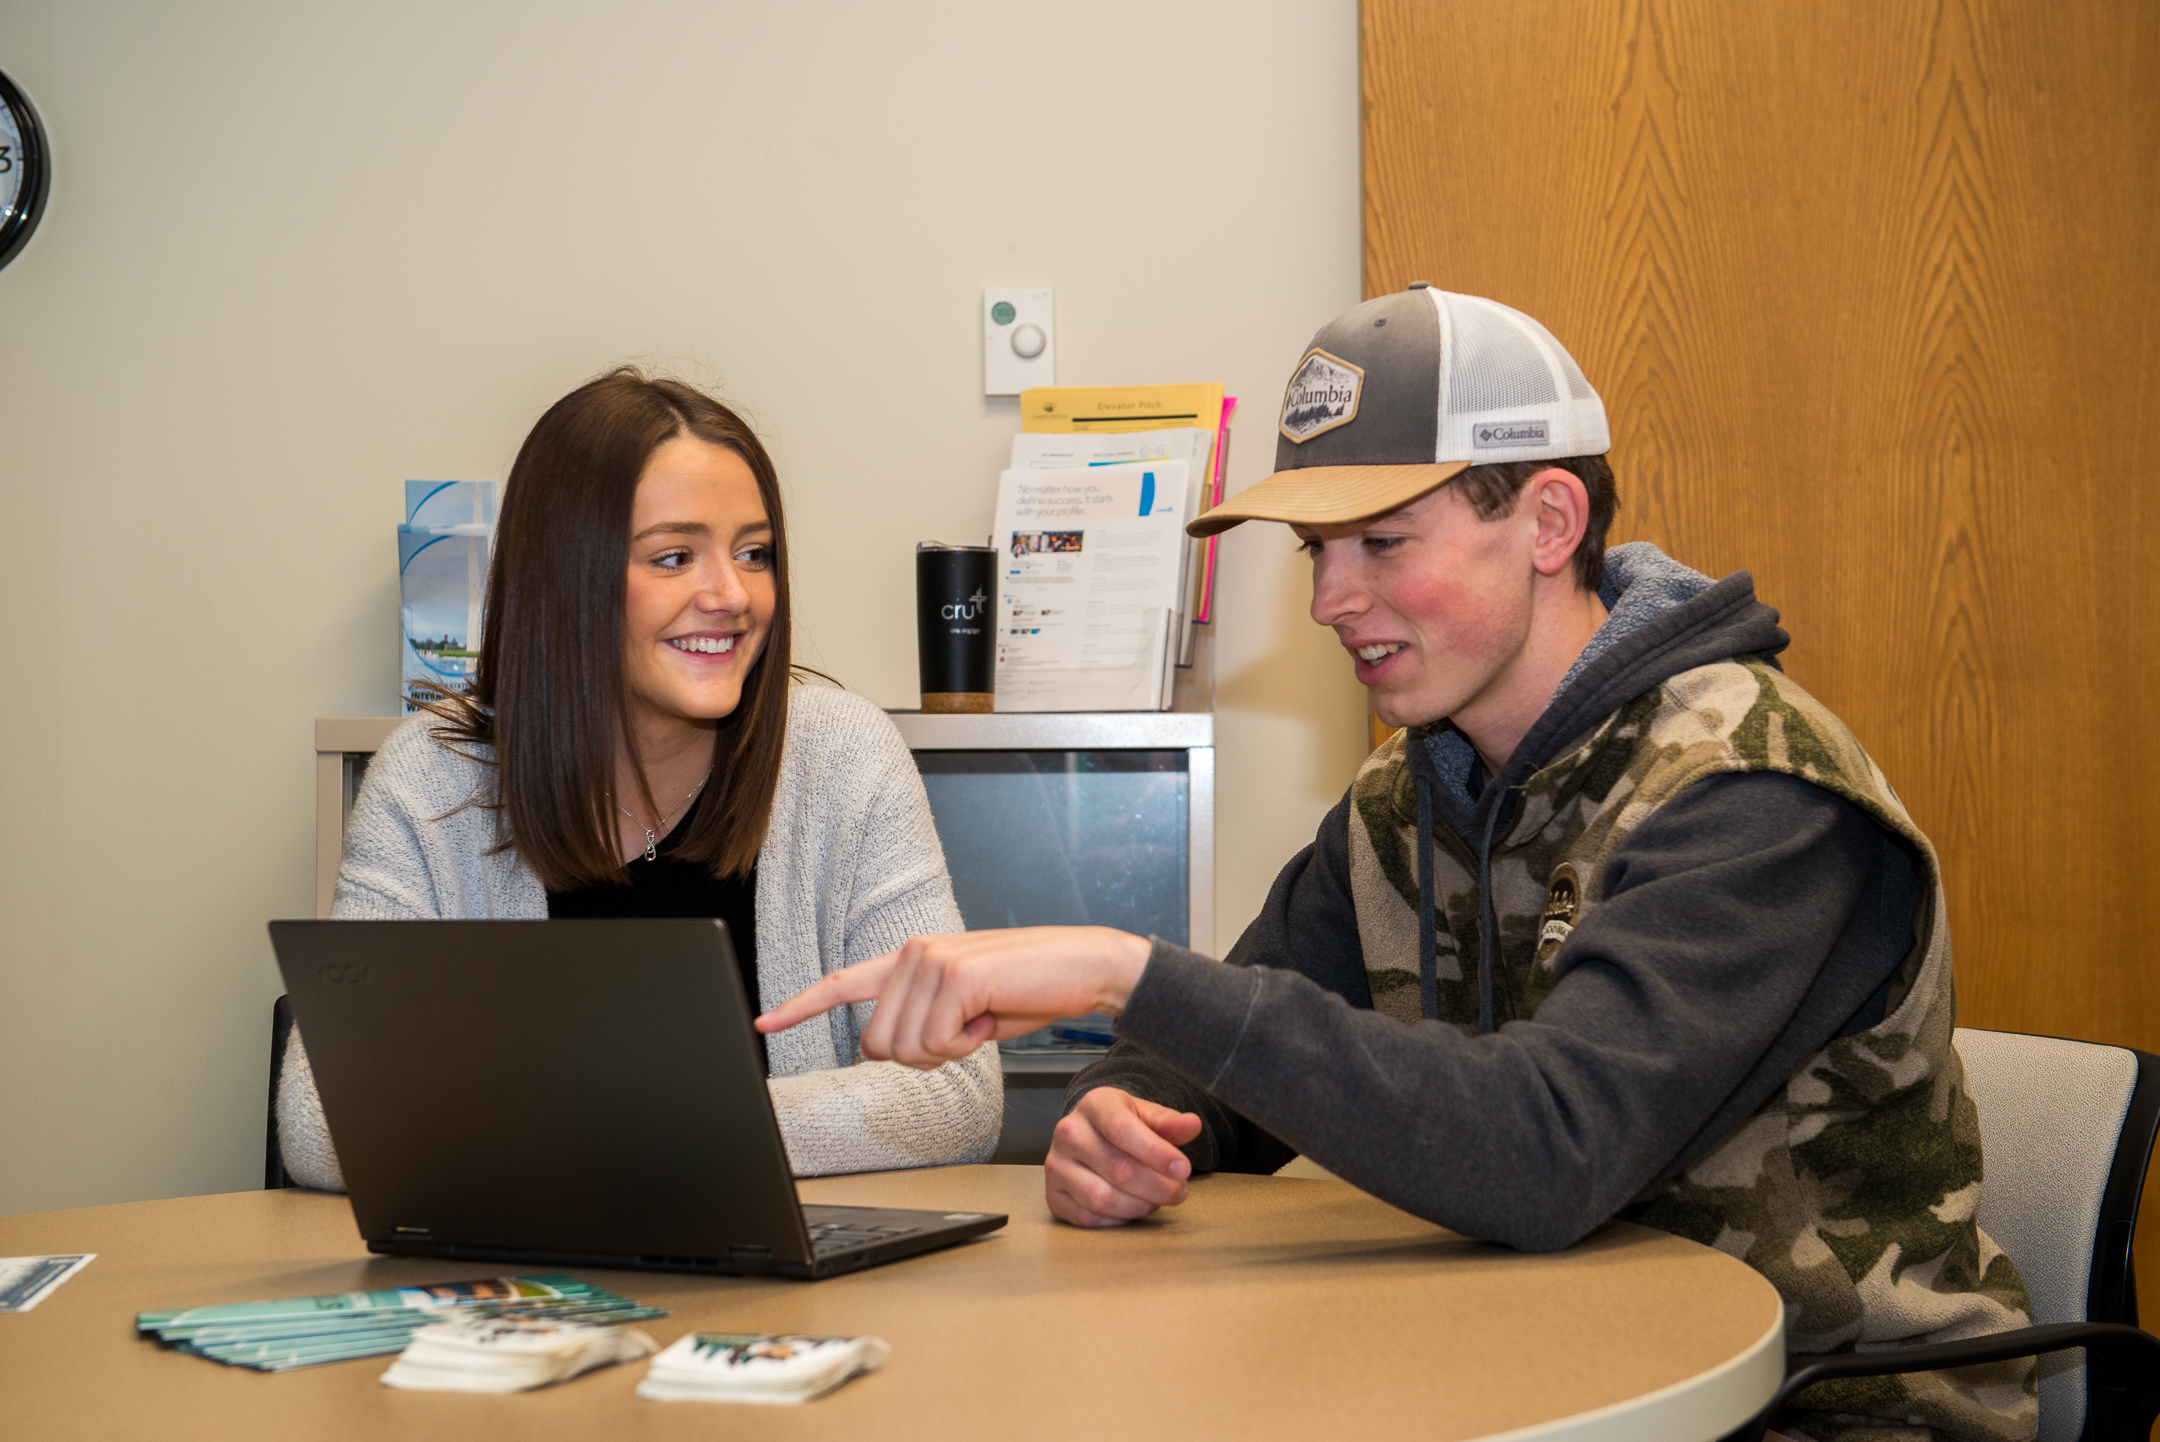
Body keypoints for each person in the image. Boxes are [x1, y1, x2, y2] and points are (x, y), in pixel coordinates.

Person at [760, 289, 2036, 1442]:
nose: (1327, 598)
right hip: (1547, 1366)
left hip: (1825, 1407)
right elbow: (1217, 1057)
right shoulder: (1409, 793)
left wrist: (1117, 966)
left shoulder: (1756, 792)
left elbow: (1544, 1148)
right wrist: (1132, 1116)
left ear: (1548, 519)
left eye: (1381, 541)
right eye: (1320, 551)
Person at [278, 368, 1001, 1188]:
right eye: (674, 557)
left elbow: (956, 1091)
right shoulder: (430, 780)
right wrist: (679, 1126)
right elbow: (322, 1118)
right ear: (566, 578)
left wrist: (631, 1125)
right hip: (529, 1298)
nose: (731, 595)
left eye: (754, 553)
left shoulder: (844, 758)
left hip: (795, 1299)